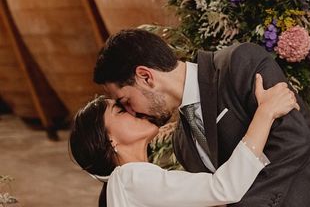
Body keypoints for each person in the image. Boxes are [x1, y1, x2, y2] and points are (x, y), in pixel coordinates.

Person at [94, 29, 310, 206]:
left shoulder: (239, 64)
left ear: (146, 76)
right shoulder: (183, 144)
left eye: (125, 101)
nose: (132, 112)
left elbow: (294, 143)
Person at [69, 73, 298, 207]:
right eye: (120, 110)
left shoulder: (127, 184)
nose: (133, 110)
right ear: (109, 139)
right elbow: (224, 188)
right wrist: (266, 113)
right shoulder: (131, 178)